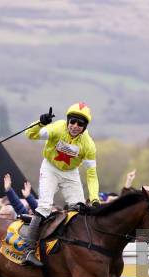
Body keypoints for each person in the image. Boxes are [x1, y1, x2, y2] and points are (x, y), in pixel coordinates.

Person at [22, 103, 100, 266]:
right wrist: (40, 122)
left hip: (71, 173)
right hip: (50, 168)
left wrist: (94, 198)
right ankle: (28, 250)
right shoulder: (56, 128)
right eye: (72, 122)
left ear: (85, 127)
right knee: (44, 206)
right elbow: (30, 135)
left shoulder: (89, 145)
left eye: (80, 124)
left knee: (79, 210)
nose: (75, 126)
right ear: (67, 121)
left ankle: (71, 250)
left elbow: (91, 175)